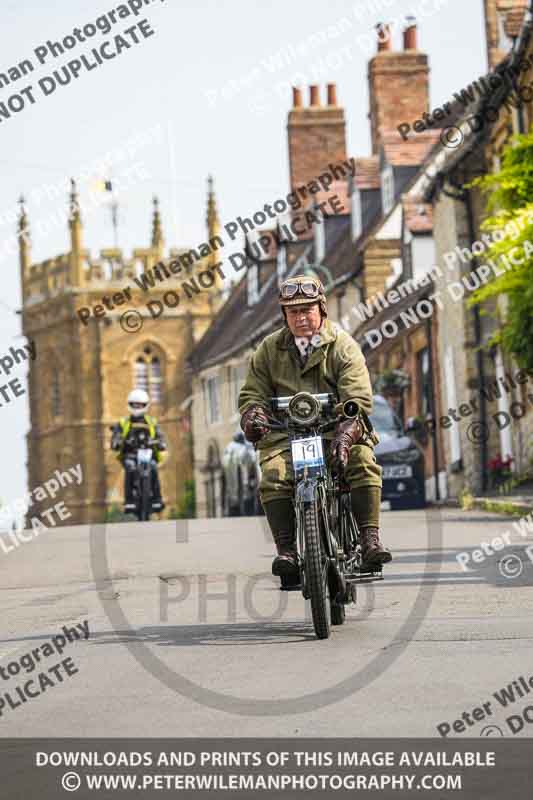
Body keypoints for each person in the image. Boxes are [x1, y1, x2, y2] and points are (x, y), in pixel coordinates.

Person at [238, 275, 391, 586]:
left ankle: (369, 540)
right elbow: (252, 393)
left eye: (307, 310)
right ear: (285, 317)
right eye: (293, 312)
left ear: (322, 309)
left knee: (363, 462)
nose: (301, 317)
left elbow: (358, 396)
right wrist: (253, 415)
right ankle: (288, 552)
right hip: (284, 434)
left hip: (337, 430)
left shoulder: (343, 345)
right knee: (274, 475)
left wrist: (348, 434)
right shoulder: (268, 350)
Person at [110, 389, 166, 513]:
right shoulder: (123, 422)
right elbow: (116, 435)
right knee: (130, 468)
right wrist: (116, 442)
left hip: (148, 453)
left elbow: (159, 434)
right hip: (129, 453)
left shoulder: (152, 422)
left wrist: (161, 442)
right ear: (129, 404)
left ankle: (157, 499)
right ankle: (129, 501)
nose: (137, 407)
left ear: (145, 405)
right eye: (134, 404)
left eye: (140, 405)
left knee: (153, 467)